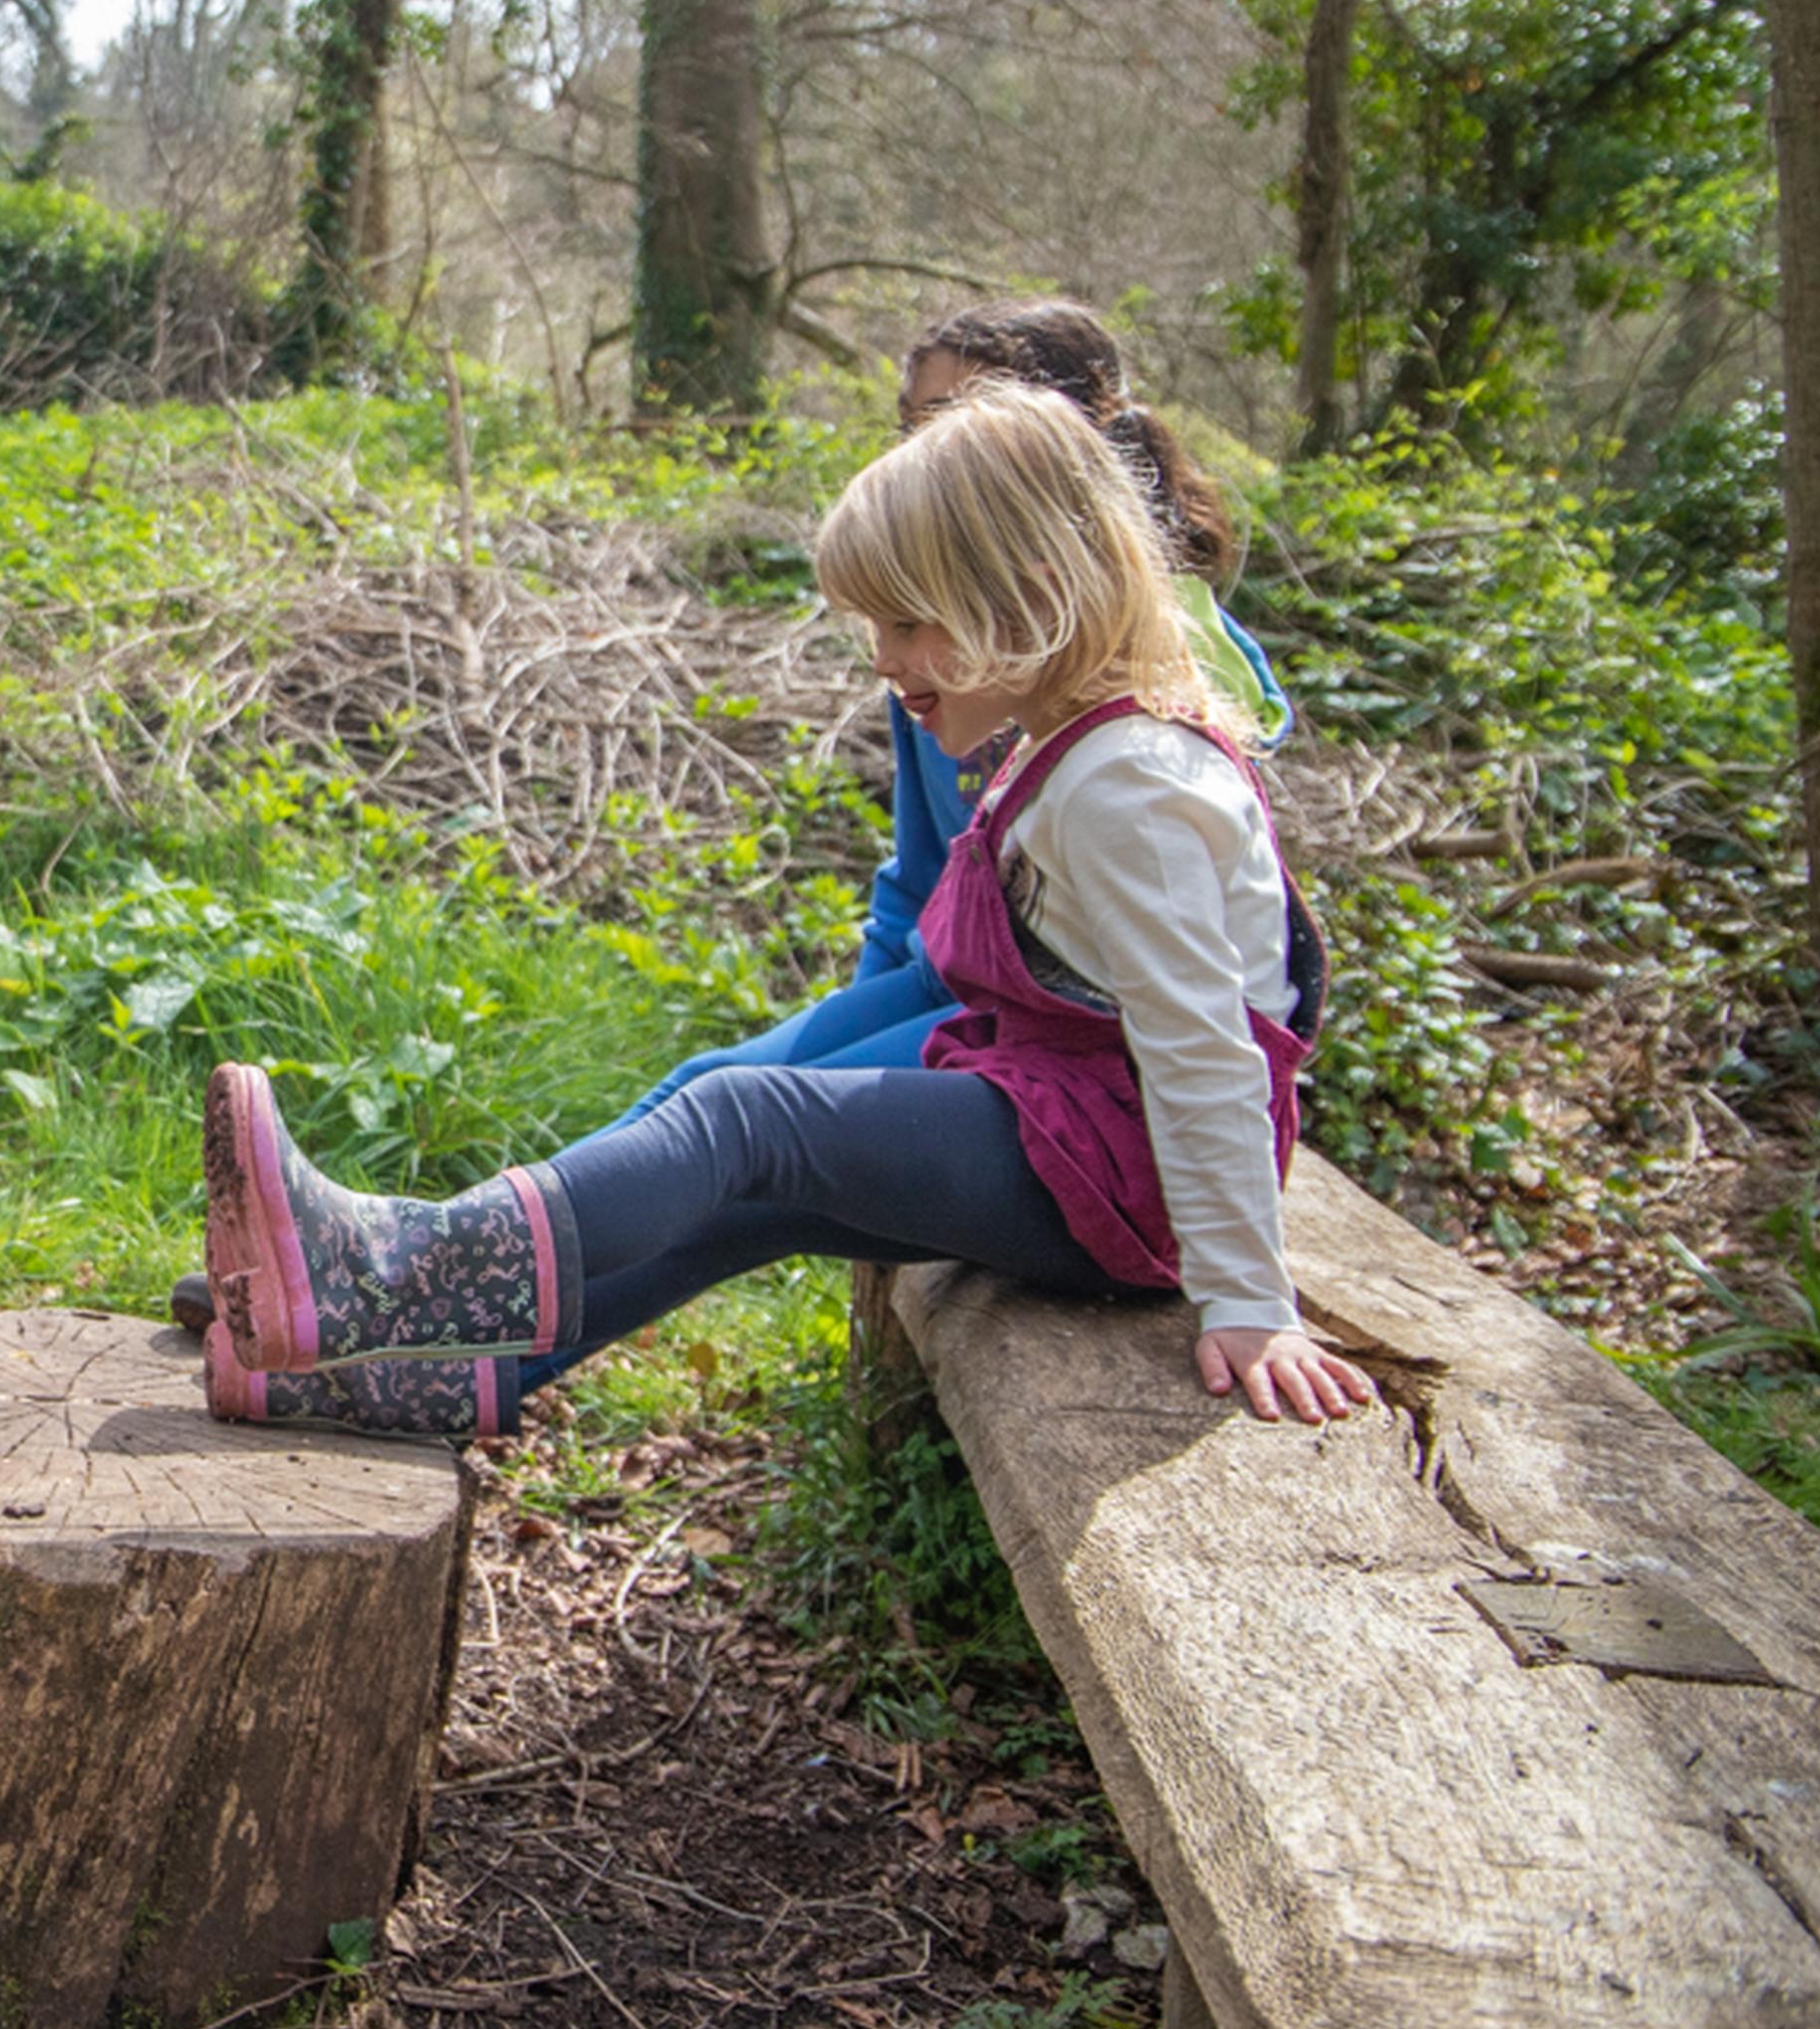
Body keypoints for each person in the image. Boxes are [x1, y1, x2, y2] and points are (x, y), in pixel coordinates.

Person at [198, 384, 1376, 1436]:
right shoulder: (1074, 749)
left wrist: (1250, 1301)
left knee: (748, 1126)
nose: (884, 659)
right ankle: (424, 1370)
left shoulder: (1134, 786)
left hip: (1123, 1183)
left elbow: (1203, 1047)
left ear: (1028, 594)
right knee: (753, 1187)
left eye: (910, 623)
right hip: (1079, 1139)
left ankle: (390, 1271)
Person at [618, 299, 1289, 1120]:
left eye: (952, 422)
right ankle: (468, 1241)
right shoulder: (931, 641)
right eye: (911, 427)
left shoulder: (1143, 679)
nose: (920, 456)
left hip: (1059, 1035)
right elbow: (918, 875)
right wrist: (847, 1033)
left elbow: (1191, 978)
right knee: (700, 1090)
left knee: (739, 1123)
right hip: (949, 979)